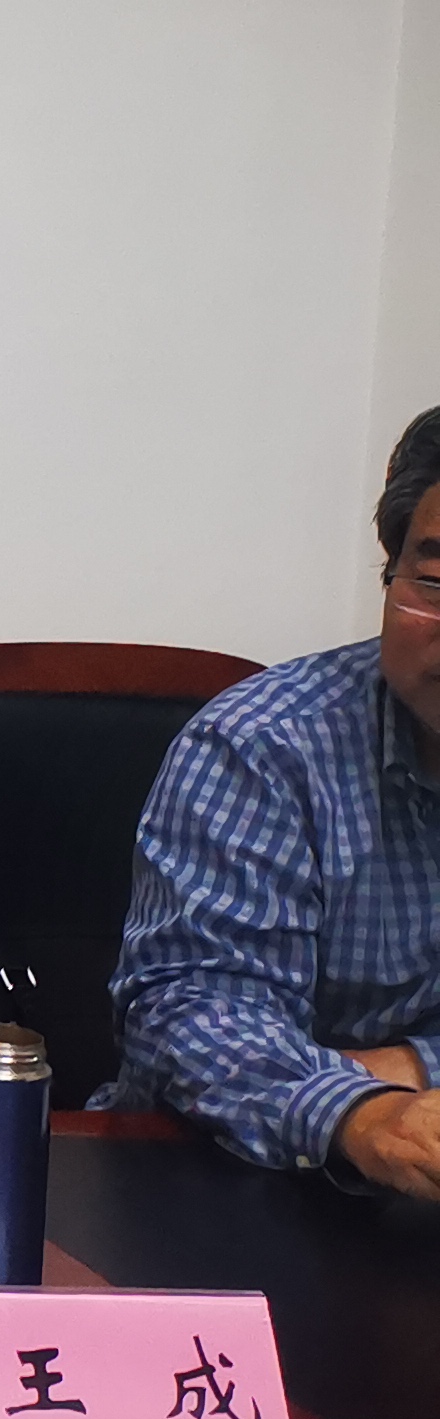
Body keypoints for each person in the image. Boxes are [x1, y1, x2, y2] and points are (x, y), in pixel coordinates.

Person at [109, 408, 440, 1187]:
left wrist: (410, 1065)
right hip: (227, 1189)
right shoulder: (264, 746)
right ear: (390, 574)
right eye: (435, 583)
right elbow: (195, 1015)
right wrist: (365, 1114)